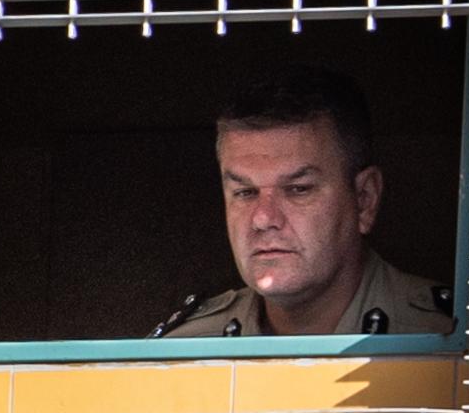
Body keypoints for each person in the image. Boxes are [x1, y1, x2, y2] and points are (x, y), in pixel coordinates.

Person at [151, 65, 453, 337]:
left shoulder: (452, 340)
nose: (263, 219)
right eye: (245, 193)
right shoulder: (184, 352)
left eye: (298, 189)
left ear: (364, 200)